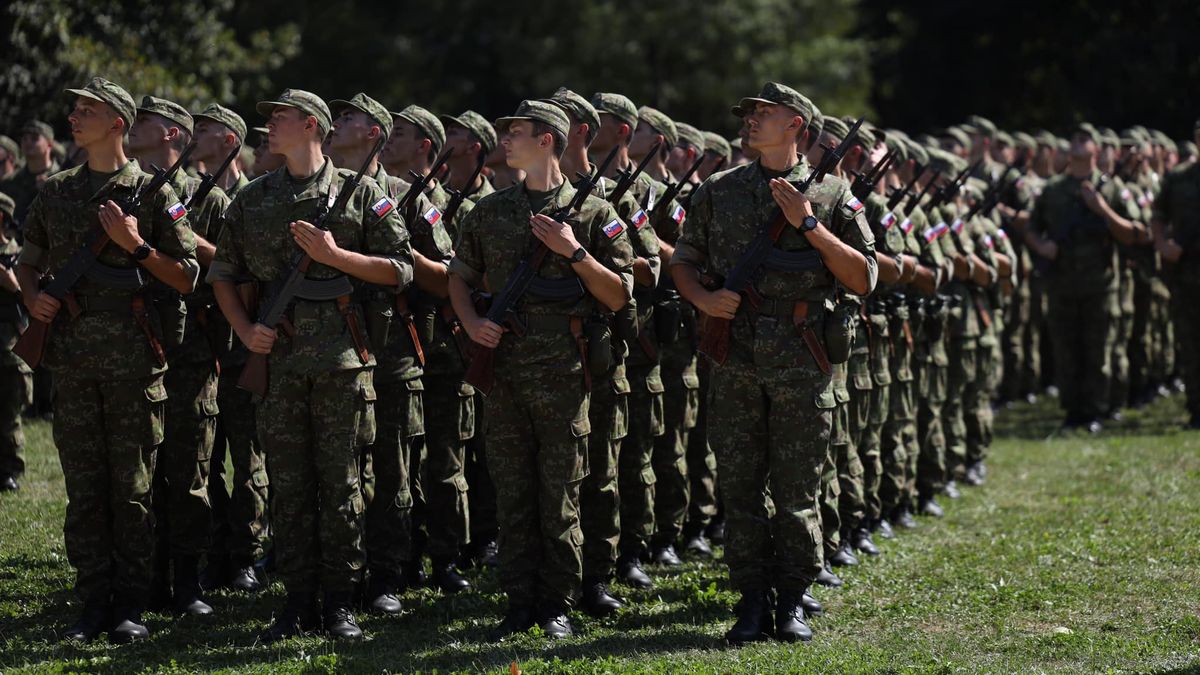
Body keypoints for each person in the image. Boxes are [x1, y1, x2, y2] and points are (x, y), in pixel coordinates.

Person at [671, 82, 876, 644]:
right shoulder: (718, 190)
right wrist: (704, 300)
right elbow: (684, 261)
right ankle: (751, 599)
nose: (752, 120)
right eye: (749, 113)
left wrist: (809, 224)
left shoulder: (834, 193)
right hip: (734, 355)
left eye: (766, 113)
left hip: (799, 357)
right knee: (738, 485)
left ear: (796, 126)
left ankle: (792, 599)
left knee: (796, 489)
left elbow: (863, 276)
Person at [208, 88, 414, 641]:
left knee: (343, 483)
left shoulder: (362, 193)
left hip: (344, 365)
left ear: (311, 126)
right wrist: (245, 330)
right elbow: (224, 273)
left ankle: (341, 601)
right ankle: (297, 600)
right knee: (288, 485)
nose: (270, 127)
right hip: (278, 363)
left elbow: (401, 271)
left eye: (280, 118)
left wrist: (335, 258)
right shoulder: (252, 199)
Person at [17, 77, 200, 643]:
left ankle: (130, 603)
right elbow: (28, 261)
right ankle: (91, 601)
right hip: (72, 361)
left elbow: (188, 275)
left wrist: (135, 245)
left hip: (135, 363)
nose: (74, 117)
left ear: (117, 123)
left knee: (132, 488)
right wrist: (32, 297)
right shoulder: (56, 191)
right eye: (73, 109)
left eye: (87, 110)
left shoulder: (155, 191)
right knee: (85, 488)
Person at [448, 99, 634, 639]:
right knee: (513, 492)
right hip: (504, 371)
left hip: (563, 376)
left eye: (519, 132)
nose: (506, 140)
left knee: (559, 495)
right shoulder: (489, 212)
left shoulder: (595, 212)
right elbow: (459, 276)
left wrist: (575, 253)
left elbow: (619, 294)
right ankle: (517, 601)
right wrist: (469, 322)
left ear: (549, 139)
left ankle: (555, 602)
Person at [1024, 123, 1142, 432]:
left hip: (1099, 285)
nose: (1079, 141)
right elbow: (1031, 227)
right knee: (1066, 349)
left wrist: (1103, 209)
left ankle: (1094, 411)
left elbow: (1134, 233)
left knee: (1097, 350)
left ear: (1097, 148)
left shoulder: (1112, 189)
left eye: (1086, 137)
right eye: (1075, 136)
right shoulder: (1053, 190)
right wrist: (1042, 246)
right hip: (1061, 284)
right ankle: (1071, 411)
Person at [0, 192, 30, 493]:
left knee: (9, 415)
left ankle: (9, 469)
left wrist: (12, 284)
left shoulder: (18, 255)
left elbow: (34, 300)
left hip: (9, 348)